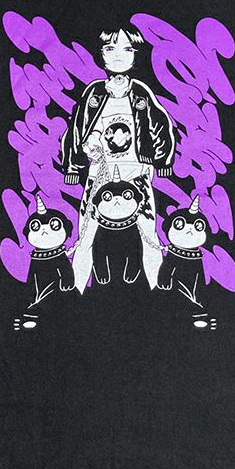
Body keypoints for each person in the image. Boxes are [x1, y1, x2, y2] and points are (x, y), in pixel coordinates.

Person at [61, 25, 176, 291]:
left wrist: (163, 160)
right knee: (86, 230)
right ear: (100, 53)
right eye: (110, 48)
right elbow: (77, 128)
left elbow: (160, 124)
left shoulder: (141, 93)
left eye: (127, 49)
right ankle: (75, 288)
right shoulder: (93, 93)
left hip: (136, 171)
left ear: (136, 55)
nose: (118, 55)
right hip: (99, 171)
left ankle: (159, 289)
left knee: (148, 231)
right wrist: (73, 165)